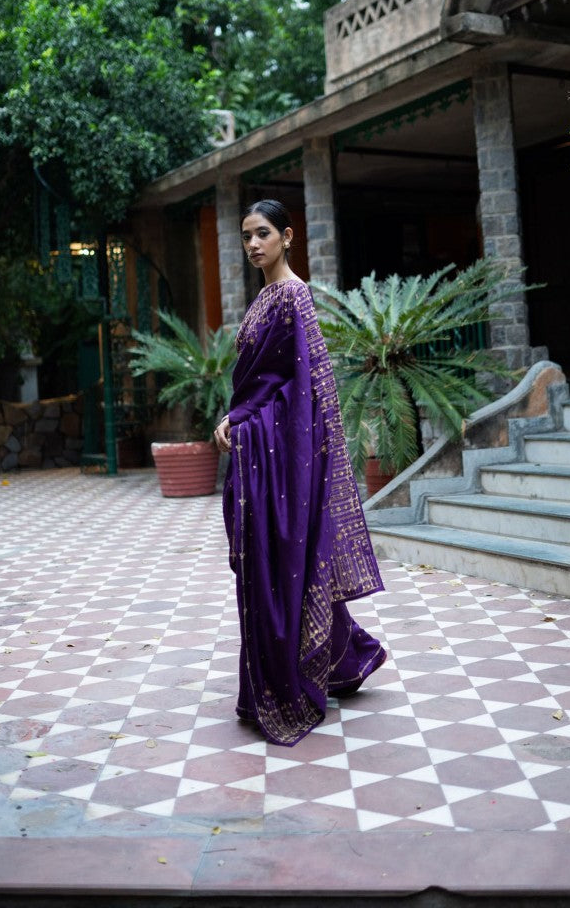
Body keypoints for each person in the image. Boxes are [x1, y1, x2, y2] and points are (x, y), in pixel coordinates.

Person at [213, 199, 387, 747]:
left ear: (287, 236)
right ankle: (346, 658)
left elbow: (301, 389)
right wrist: (240, 417)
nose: (253, 244)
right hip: (259, 450)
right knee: (276, 563)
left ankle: (293, 679)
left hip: (279, 453)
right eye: (246, 236)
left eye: (263, 233)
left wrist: (244, 422)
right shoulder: (264, 297)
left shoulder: (294, 296)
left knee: (286, 561)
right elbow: (262, 382)